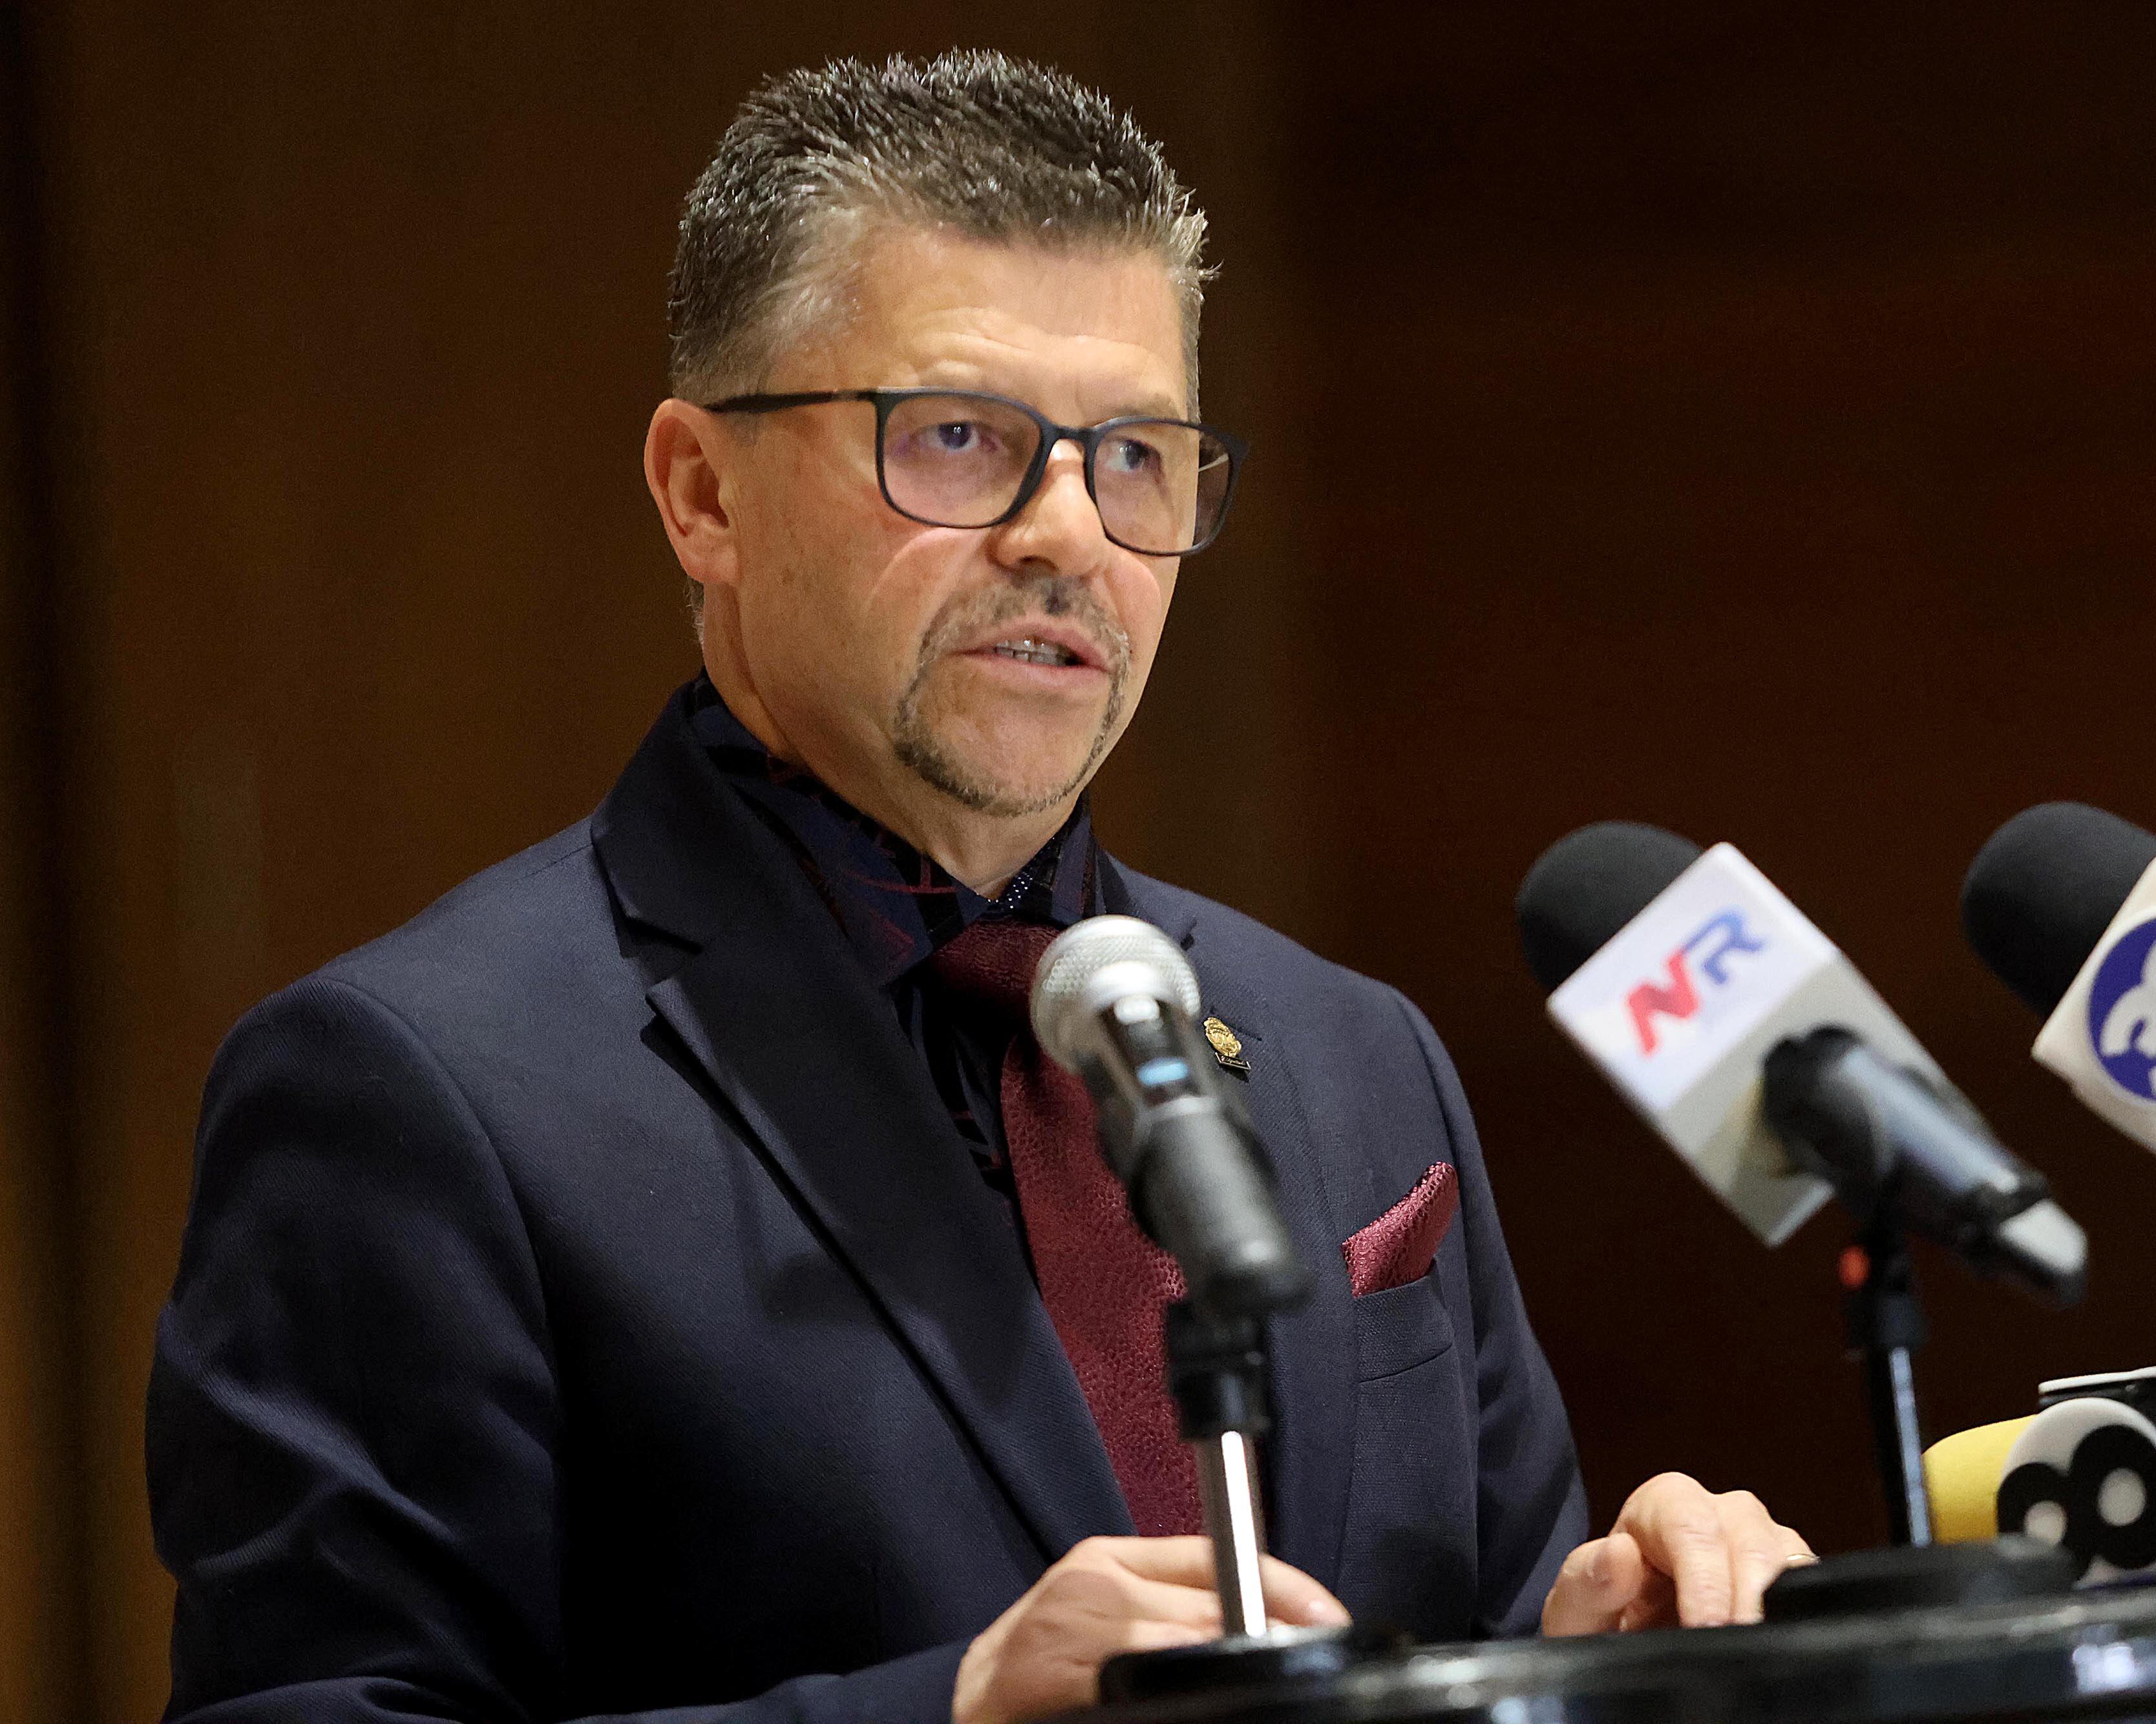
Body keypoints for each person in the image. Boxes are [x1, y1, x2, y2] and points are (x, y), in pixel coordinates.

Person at [146, 50, 1813, 1724]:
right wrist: (948, 1711)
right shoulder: (413, 1084)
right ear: (701, 491)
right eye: (957, 440)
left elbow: (1456, 1632)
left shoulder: (1352, 1050)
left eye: (1137, 456)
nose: (1068, 530)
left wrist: (1594, 1653)